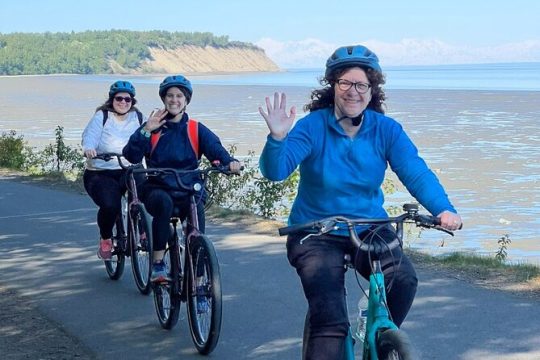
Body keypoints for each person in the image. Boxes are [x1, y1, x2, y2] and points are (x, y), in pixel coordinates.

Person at [258, 45, 462, 359]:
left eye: (361, 85)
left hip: (370, 227)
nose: (354, 91)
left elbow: (415, 171)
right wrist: (277, 139)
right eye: (345, 83)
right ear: (333, 86)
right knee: (330, 322)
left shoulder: (386, 130)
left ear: (372, 90)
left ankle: (379, 333)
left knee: (404, 279)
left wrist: (443, 209)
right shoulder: (312, 127)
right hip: (316, 232)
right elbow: (277, 171)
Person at [123, 74, 242, 282]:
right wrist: (145, 130)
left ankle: (198, 283)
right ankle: (158, 265)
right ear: (164, 99)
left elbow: (216, 151)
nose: (174, 100)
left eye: (179, 96)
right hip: (157, 188)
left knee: (197, 224)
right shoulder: (153, 127)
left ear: (186, 100)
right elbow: (131, 156)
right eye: (170, 95)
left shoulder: (196, 129)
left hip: (189, 188)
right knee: (164, 204)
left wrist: (230, 163)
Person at [82, 80, 145, 260]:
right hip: (102, 172)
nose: (123, 102)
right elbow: (90, 136)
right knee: (110, 206)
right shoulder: (102, 116)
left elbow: (150, 134)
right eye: (119, 98)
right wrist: (89, 148)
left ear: (132, 102)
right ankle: (106, 238)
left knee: (146, 195)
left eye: (128, 99)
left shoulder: (139, 117)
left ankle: (143, 231)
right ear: (112, 99)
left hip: (130, 168)